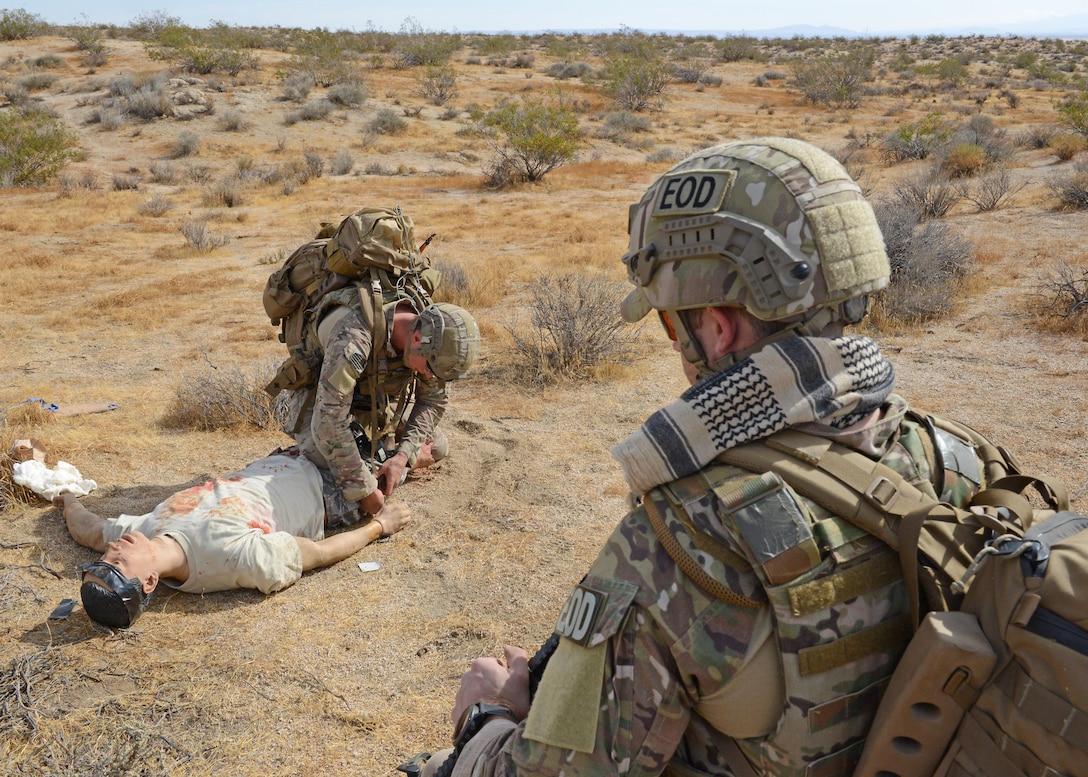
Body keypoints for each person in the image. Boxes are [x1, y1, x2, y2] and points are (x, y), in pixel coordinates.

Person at [423, 138, 1013, 777]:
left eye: (674, 324)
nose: (676, 343)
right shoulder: (959, 457)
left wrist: (487, 717)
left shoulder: (684, 542)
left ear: (720, 327)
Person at [57, 451, 410, 631]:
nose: (115, 550)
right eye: (118, 563)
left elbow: (87, 529)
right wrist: (379, 526)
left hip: (279, 459)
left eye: (107, 558)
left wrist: (66, 499)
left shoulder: (139, 533)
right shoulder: (230, 559)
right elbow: (317, 553)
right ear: (149, 582)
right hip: (330, 489)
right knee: (418, 448)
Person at [282, 291, 480, 521]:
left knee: (438, 446)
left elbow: (432, 401)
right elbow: (328, 422)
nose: (429, 375)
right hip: (319, 402)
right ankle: (370, 467)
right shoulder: (353, 338)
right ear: (416, 339)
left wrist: (404, 457)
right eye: (430, 370)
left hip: (371, 399)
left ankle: (379, 463)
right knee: (335, 471)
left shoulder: (429, 340)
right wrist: (363, 489)